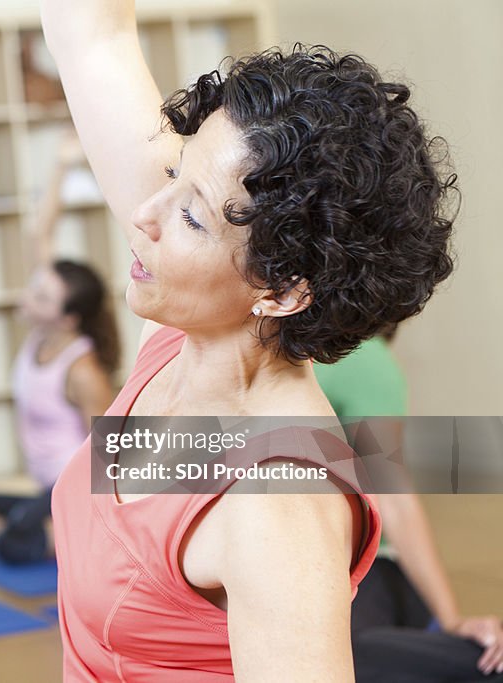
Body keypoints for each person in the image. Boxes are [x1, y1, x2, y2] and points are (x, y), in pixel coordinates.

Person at [41, 0, 457, 678]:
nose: (144, 214)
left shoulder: (278, 498)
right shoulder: (181, 329)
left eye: (193, 217)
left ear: (283, 290)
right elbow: (90, 35)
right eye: (175, 172)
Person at [0, 132, 119, 564]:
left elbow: (114, 458)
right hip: (43, 492)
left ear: (67, 318)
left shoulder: (82, 369)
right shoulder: (40, 335)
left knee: (17, 537)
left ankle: (62, 533)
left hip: (76, 495)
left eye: (41, 296)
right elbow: (41, 233)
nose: (29, 295)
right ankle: (39, 533)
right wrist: (61, 165)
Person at [315, 329, 503, 681]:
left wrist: (451, 621)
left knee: (343, 653)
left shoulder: (362, 360)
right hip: (304, 573)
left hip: (369, 574)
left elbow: (393, 498)